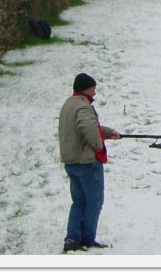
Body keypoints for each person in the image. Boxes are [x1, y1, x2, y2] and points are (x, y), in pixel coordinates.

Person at [58, 72, 121, 252]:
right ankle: (87, 239)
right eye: (93, 88)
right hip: (86, 162)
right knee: (94, 201)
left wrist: (109, 132)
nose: (95, 92)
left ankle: (72, 239)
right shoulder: (83, 107)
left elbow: (88, 127)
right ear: (86, 88)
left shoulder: (69, 104)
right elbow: (88, 128)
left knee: (79, 201)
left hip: (71, 162)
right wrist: (98, 145)